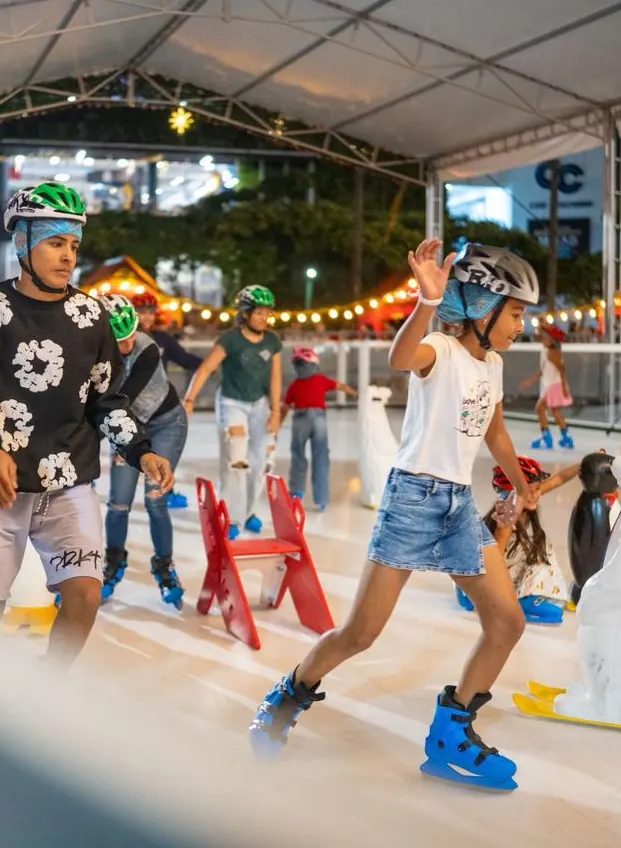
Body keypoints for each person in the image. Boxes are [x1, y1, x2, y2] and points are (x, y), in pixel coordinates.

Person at [247, 240, 540, 792]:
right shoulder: (439, 349)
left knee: (507, 622)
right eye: (517, 313)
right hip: (412, 500)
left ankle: (452, 734)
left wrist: (523, 487)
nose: (521, 325)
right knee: (361, 632)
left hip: (456, 504)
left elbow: (494, 431)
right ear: (481, 308)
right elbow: (400, 359)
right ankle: (286, 696)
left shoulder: (493, 364)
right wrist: (426, 302)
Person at [0, 182, 174, 667]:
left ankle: (46, 689)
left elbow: (106, 400)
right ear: (22, 242)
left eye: (73, 245)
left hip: (68, 483)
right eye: (55, 242)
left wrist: (141, 449)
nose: (68, 256)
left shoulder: (90, 316)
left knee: (84, 599)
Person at [98, 294, 189, 609]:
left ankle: (165, 569)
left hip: (165, 424)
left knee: (155, 499)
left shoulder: (147, 348)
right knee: (119, 502)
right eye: (117, 341)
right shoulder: (91, 352)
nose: (126, 346)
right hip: (128, 427)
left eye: (129, 336)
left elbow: (119, 400)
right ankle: (112, 567)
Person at [182, 285, 282, 539]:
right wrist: (190, 399)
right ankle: (232, 515)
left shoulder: (272, 341)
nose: (263, 318)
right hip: (232, 404)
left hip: (260, 405)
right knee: (236, 462)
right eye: (258, 312)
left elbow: (275, 376)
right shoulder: (230, 340)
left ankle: (248, 512)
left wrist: (276, 410)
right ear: (245, 313)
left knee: (261, 463)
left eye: (267, 313)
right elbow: (205, 369)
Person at [455, 457, 580, 625]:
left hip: (503, 566)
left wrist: (584, 463)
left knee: (540, 549)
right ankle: (524, 599)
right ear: (513, 493)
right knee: (541, 553)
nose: (537, 494)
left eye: (537, 489)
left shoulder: (525, 496)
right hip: (489, 572)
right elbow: (493, 562)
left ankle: (525, 596)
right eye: (534, 490)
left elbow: (559, 478)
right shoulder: (506, 519)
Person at [132, 290, 198, 510]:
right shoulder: (125, 340)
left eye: (151, 312)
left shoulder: (162, 339)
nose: (147, 317)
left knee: (162, 458)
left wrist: (210, 364)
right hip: (133, 411)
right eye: (142, 312)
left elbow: (185, 359)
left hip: (162, 407)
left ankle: (168, 490)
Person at [281, 346, 356, 511]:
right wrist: (356, 394)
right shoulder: (320, 379)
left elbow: (285, 408)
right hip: (318, 418)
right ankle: (320, 497)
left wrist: (277, 424)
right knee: (320, 457)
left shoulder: (294, 385)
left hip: (300, 418)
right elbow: (340, 386)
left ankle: (296, 492)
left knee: (298, 456)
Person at [519, 325, 574, 449]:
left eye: (546, 338)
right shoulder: (547, 352)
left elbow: (561, 369)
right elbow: (543, 371)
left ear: (553, 341)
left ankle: (547, 438)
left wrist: (565, 387)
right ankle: (566, 437)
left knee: (540, 409)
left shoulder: (553, 353)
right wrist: (529, 381)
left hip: (554, 385)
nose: (543, 340)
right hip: (553, 385)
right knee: (554, 411)